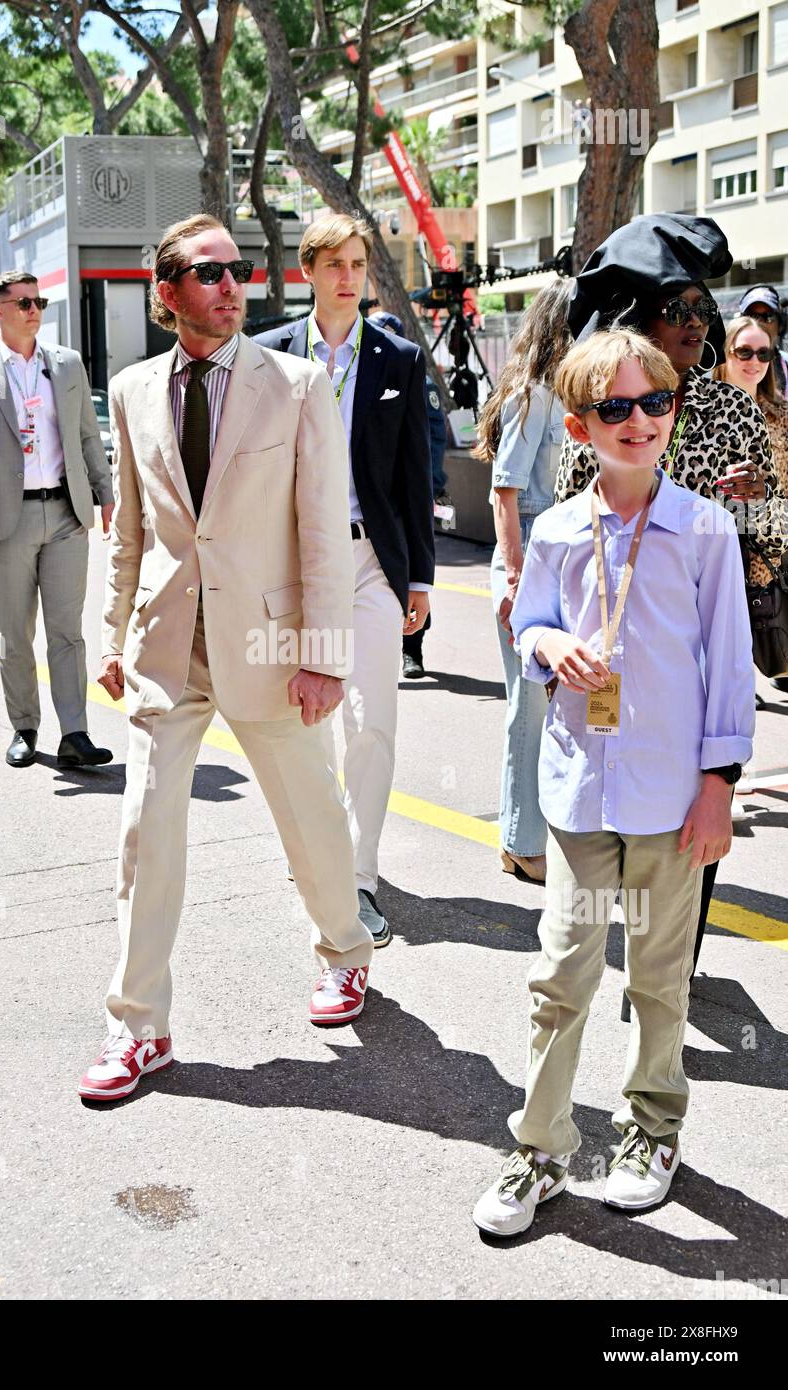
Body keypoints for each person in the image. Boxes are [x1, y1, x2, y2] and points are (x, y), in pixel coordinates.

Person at [78, 214, 374, 1101]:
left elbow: (322, 527)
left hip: (272, 646)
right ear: (165, 294)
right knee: (146, 831)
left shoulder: (297, 384)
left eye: (237, 270)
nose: (229, 285)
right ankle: (139, 1027)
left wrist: (323, 652)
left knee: (310, 817)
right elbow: (130, 530)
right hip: (167, 648)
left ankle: (344, 953)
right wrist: (110, 631)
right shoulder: (130, 391)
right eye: (207, 274)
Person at [473, 329, 754, 1237]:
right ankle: (541, 1148)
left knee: (660, 978)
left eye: (655, 403)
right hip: (581, 797)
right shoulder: (556, 530)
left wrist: (718, 786)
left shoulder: (705, 529)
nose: (639, 422)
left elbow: (726, 665)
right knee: (563, 971)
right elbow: (531, 632)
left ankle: (650, 1130)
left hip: (674, 802)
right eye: (615, 408)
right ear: (581, 421)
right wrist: (545, 644)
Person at [553, 214, 786, 979]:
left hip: (694, 649)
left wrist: (751, 506)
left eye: (702, 310)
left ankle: (669, 966)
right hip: (607, 655)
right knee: (607, 807)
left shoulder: (729, 408)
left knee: (697, 803)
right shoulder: (598, 409)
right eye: (676, 310)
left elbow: (775, 531)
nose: (695, 324)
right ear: (638, 321)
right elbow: (563, 514)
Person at [254, 215, 435, 948]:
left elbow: (414, 476)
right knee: (308, 722)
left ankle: (357, 876)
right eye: (333, 262)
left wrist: (419, 575)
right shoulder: (266, 356)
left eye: (358, 262)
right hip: (295, 564)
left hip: (370, 564)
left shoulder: (397, 358)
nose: (348, 274)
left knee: (372, 720)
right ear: (308, 271)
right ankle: (323, 859)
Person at [0, 270, 115, 769]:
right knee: (15, 631)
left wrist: (106, 494)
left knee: (67, 631)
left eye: (37, 301)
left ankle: (76, 734)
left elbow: (88, 435)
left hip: (66, 512)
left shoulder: (65, 365)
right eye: (21, 303)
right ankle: (24, 726)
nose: (33, 310)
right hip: (7, 518)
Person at [475, 278, 574, 884]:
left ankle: (548, 834)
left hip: (562, 556)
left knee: (561, 705)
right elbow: (504, 492)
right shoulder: (533, 396)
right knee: (530, 706)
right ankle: (520, 839)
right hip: (531, 556)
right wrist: (514, 578)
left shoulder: (566, 394)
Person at [364, 309, 446, 679]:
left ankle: (413, 651)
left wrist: (433, 487)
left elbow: (432, 440)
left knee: (413, 574)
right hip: (372, 498)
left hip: (408, 498)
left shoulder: (415, 378)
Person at [714, 314, 788, 706]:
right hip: (711, 536)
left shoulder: (780, 416)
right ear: (724, 352)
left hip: (763, 541)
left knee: (758, 625)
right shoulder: (700, 411)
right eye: (744, 351)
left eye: (764, 353)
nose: (754, 361)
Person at [737, 284, 788, 396]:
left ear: (781, 325)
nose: (759, 323)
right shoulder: (724, 364)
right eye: (752, 316)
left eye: (768, 317)